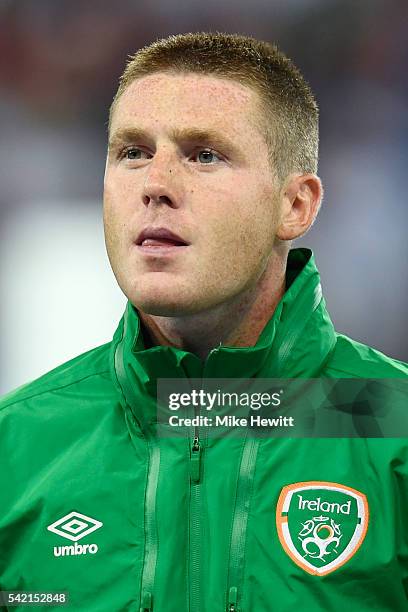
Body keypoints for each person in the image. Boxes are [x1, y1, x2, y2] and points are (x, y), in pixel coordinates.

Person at [0, 32, 407, 612]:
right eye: (132, 152)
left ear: (296, 206)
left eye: (204, 155)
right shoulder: (16, 446)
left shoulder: (391, 423)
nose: (156, 186)